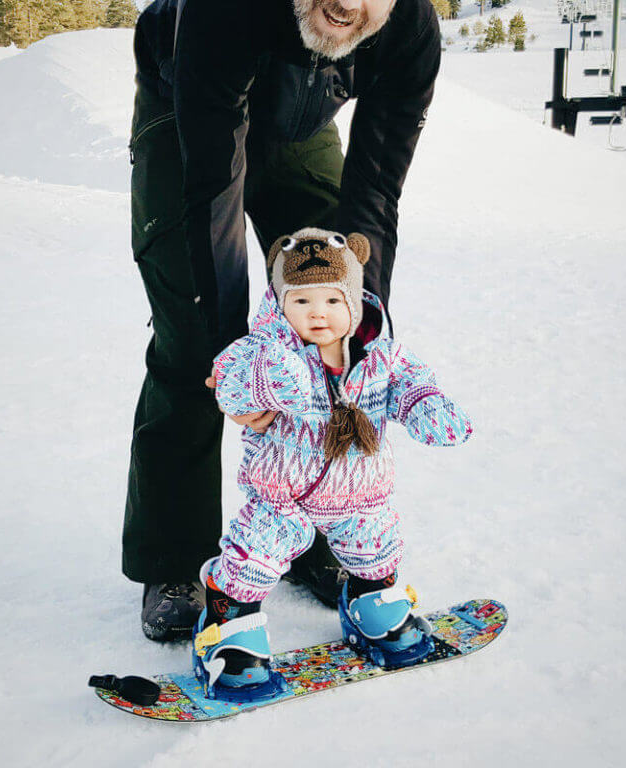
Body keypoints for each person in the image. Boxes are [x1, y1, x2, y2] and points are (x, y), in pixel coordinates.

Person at [125, 0, 443, 640]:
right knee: (194, 336)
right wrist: (232, 368)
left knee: (324, 318)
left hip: (302, 122)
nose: (350, 3)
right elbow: (212, 191)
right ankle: (177, 557)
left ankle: (317, 528)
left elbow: (375, 190)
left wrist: (360, 333)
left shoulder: (408, 27)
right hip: (188, 109)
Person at [191, 228, 472, 696]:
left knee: (375, 550)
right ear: (280, 306)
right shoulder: (266, 353)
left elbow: (413, 384)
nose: (317, 312)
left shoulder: (382, 359)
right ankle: (226, 623)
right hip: (282, 496)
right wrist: (273, 375)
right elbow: (231, 382)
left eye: (332, 301)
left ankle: (369, 601)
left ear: (355, 306)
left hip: (361, 493)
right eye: (301, 302)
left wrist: (427, 406)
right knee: (252, 559)